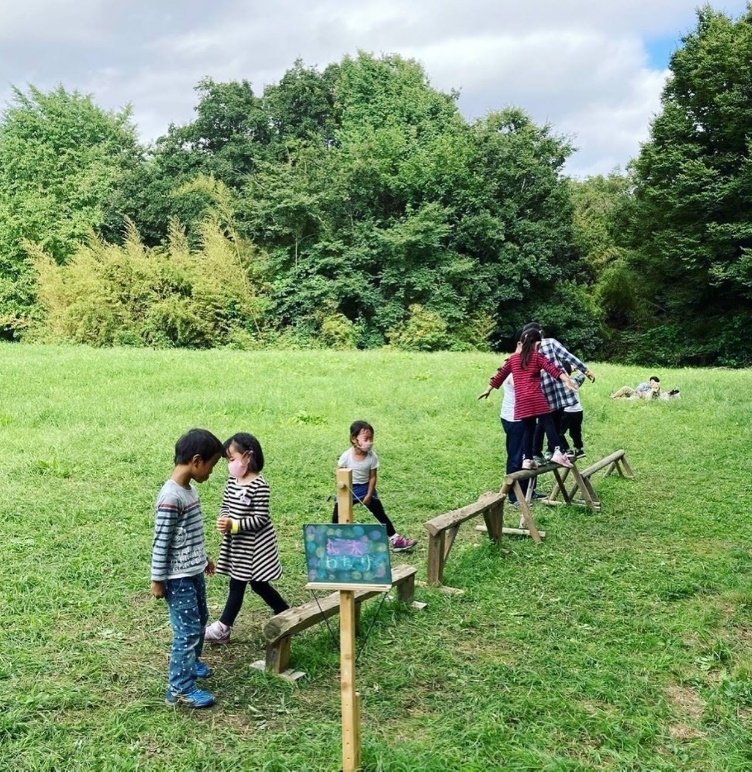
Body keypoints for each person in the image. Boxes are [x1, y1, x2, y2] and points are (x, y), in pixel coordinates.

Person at [151, 428, 224, 709]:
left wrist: (204, 558)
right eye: (211, 465)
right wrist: (158, 580)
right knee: (188, 631)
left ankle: (191, 664)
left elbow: (190, 535)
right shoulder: (171, 498)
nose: (211, 472)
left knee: (200, 619)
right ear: (196, 461)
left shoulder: (189, 491)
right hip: (177, 578)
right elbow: (162, 542)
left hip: (192, 571)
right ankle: (179, 689)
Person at [204, 432, 289, 645]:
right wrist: (224, 519)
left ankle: (223, 628)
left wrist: (235, 525)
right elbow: (226, 504)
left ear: (248, 456)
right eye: (228, 460)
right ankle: (286, 612)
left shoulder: (260, 485)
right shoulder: (233, 481)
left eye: (232, 458)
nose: (230, 464)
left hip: (256, 546)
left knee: (239, 583)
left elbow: (261, 518)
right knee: (258, 584)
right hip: (238, 544)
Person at [479, 328, 579, 469]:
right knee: (548, 422)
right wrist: (567, 380)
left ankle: (527, 460)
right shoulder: (537, 357)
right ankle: (558, 451)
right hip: (535, 397)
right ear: (537, 344)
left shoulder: (513, 359)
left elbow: (500, 375)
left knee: (528, 428)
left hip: (521, 401)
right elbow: (553, 369)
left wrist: (488, 389)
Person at [332, 420, 418, 552]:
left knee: (380, 513)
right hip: (348, 488)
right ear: (354, 439)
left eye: (371, 438)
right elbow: (339, 472)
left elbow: (373, 477)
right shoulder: (346, 456)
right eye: (366, 439)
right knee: (337, 516)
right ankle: (333, 541)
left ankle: (396, 540)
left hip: (365, 488)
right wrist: (342, 488)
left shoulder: (372, 457)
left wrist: (369, 494)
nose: (369, 442)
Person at [521, 322, 595, 463]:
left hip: (542, 390)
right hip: (554, 389)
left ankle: (540, 452)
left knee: (544, 422)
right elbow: (568, 356)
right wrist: (585, 370)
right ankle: (549, 451)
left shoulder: (529, 350)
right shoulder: (548, 343)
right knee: (552, 421)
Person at [559, 363, 587, 459]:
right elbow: (582, 376)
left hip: (566, 411)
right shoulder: (575, 381)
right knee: (576, 431)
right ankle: (579, 449)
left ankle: (566, 449)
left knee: (559, 431)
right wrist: (577, 369)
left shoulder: (559, 382)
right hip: (578, 411)